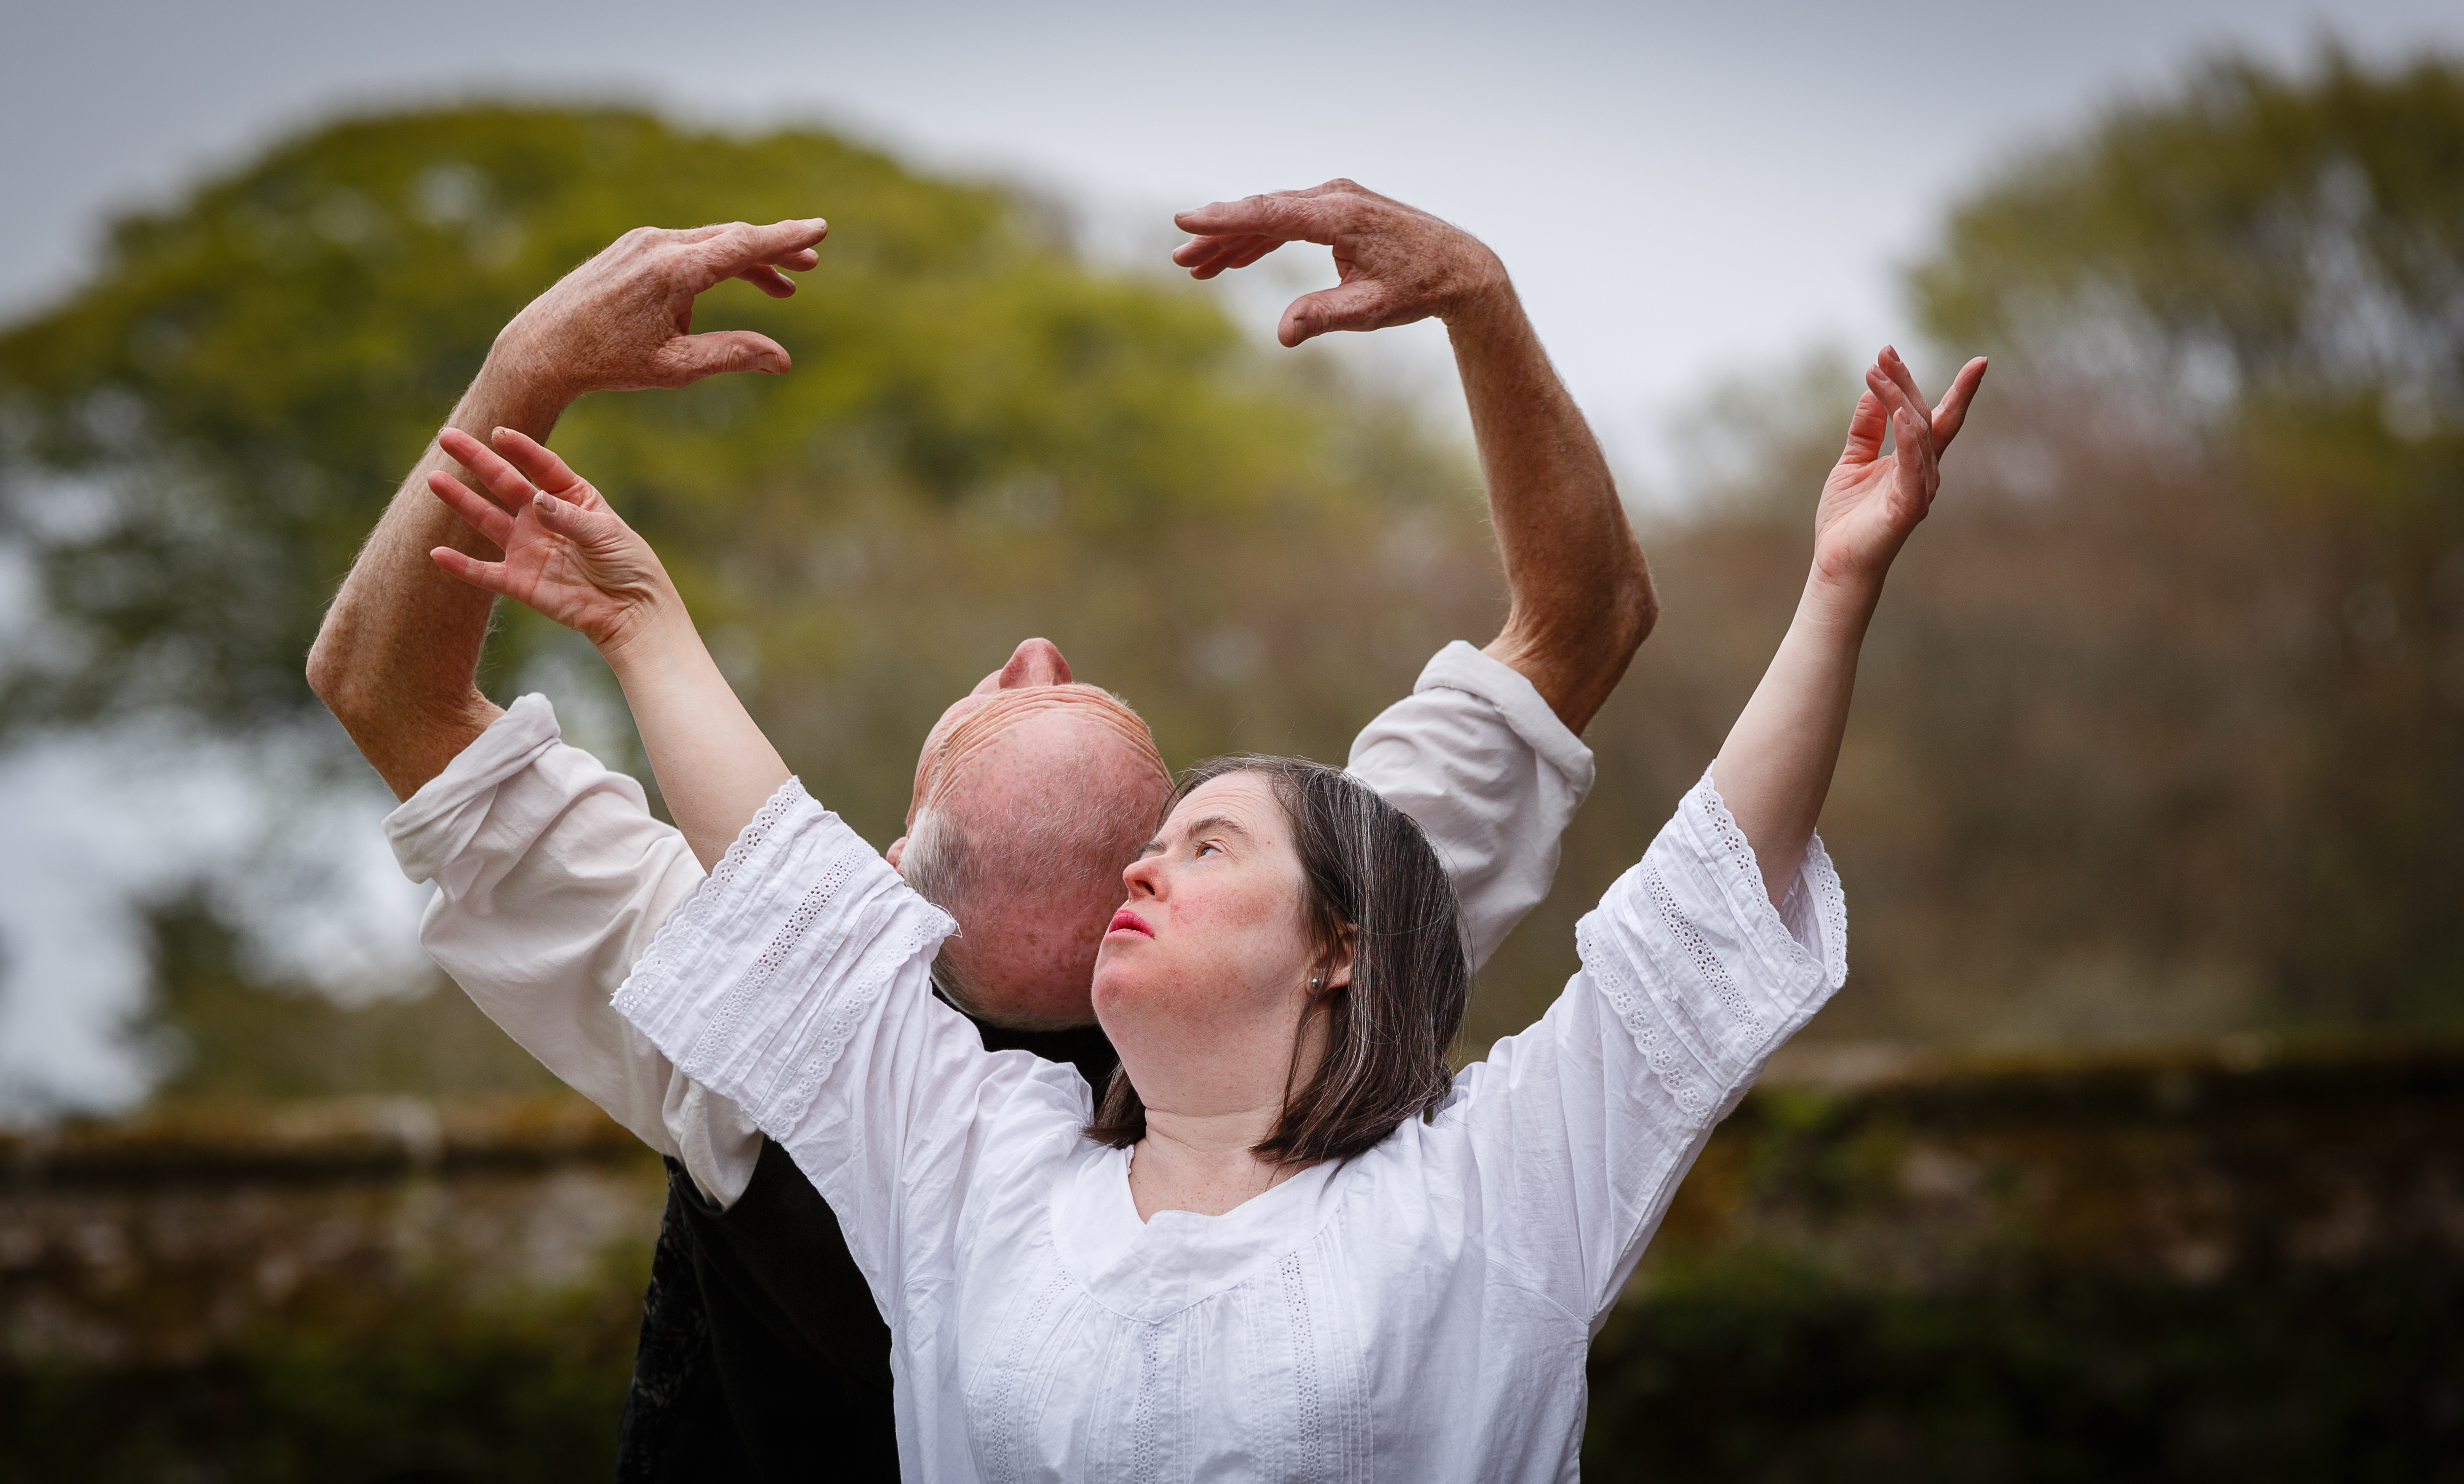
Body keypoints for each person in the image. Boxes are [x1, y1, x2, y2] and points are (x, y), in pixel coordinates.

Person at [420, 326, 1986, 1479]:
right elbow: (798, 903)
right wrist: (640, 626)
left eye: (1209, 841)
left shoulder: (1502, 1187)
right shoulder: (969, 1176)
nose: (1150, 864)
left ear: (1339, 946)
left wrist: (1840, 583)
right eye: (1149, 846)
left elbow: (1699, 909)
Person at [305, 181, 1659, 1477]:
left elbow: (385, 691)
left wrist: (522, 371)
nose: (1029, 644)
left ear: (885, 873)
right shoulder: (1312, 918)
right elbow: (1578, 622)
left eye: (1011, 695)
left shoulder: (758, 1021)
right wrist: (1480, 300)